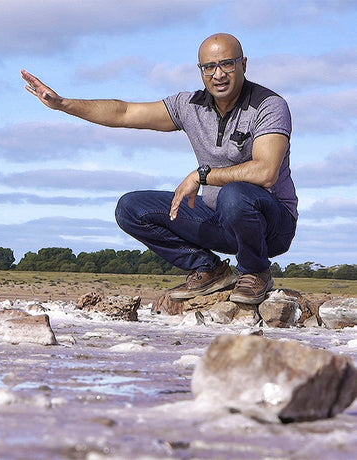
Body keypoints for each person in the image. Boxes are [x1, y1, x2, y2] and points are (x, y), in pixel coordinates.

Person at [21, 33, 297, 304]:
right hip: (218, 217)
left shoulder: (268, 105)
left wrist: (201, 176)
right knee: (131, 208)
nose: (218, 75)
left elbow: (265, 171)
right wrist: (63, 104)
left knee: (234, 194)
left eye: (227, 64)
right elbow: (124, 113)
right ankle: (209, 269)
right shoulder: (189, 105)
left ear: (243, 65)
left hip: (270, 225)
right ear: (201, 70)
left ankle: (255, 271)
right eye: (209, 67)